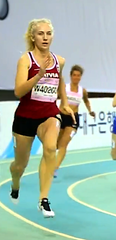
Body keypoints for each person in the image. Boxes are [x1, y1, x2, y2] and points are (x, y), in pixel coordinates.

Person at [10, 18, 75, 218]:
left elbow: (60, 80)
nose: (45, 37)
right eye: (41, 34)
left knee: (50, 148)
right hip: (26, 115)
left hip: (48, 112)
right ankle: (15, 183)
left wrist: (63, 102)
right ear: (33, 37)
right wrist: (38, 75)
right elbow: (18, 92)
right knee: (20, 165)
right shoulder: (26, 60)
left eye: (48, 33)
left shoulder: (60, 61)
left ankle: (43, 199)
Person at [54, 65, 95, 178]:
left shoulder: (82, 91)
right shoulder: (64, 88)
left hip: (73, 119)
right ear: (71, 76)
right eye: (74, 75)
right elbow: (54, 97)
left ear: (80, 77)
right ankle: (51, 163)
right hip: (61, 116)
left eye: (78, 75)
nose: (76, 77)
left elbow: (86, 101)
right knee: (56, 144)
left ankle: (55, 168)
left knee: (63, 144)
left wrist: (90, 111)